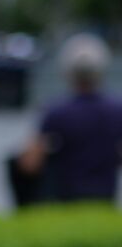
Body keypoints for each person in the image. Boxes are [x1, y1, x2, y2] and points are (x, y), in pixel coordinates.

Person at [17, 33, 122, 204]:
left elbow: (30, 164)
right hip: (105, 199)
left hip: (67, 201)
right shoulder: (117, 110)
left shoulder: (55, 112)